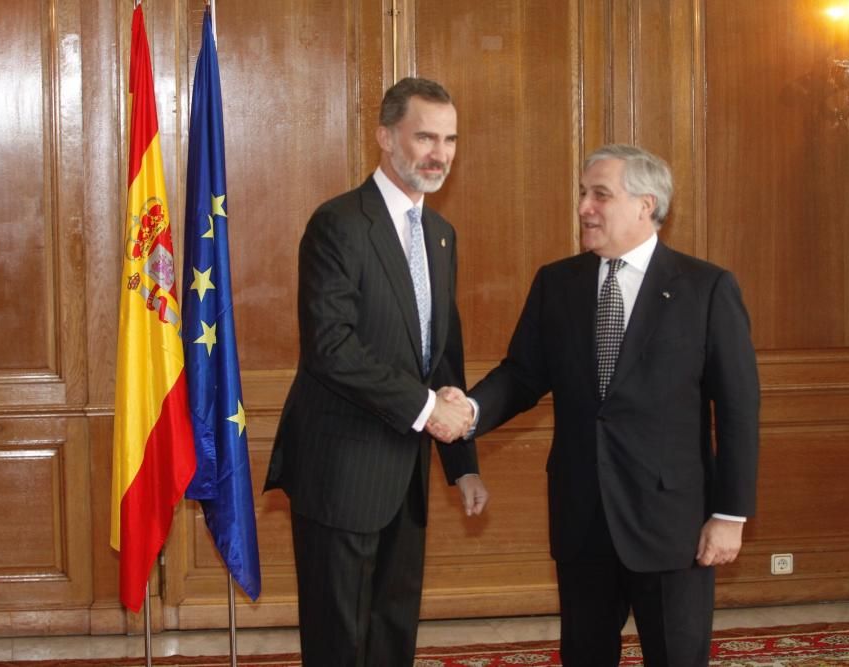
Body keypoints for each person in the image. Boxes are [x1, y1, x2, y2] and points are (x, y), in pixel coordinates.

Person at [444, 144, 759, 666]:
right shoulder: (557, 283)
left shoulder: (706, 289)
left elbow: (738, 410)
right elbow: (522, 375)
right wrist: (471, 411)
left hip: (670, 523)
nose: (584, 206)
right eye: (583, 194)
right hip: (582, 515)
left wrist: (730, 515)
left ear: (645, 204)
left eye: (600, 195)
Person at [264, 77, 489, 667]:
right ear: (386, 137)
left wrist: (460, 462)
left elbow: (441, 354)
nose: (439, 153)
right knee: (340, 640)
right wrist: (425, 411)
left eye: (450, 139)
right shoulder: (338, 223)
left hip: (406, 476)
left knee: (393, 630)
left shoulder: (440, 235)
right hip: (340, 470)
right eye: (425, 137)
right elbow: (331, 348)